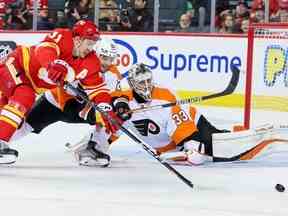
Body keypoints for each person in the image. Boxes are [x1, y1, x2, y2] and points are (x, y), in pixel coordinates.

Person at [72, 63, 229, 166]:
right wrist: (95, 145)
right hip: (168, 146)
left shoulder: (166, 95)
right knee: (201, 155)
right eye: (141, 82)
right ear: (133, 84)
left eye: (149, 81)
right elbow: (112, 122)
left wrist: (191, 145)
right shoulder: (124, 101)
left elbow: (183, 121)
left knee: (213, 146)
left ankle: (224, 136)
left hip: (193, 124)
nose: (146, 86)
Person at [0, 19, 101, 164]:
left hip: (28, 84)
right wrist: (51, 64)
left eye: (94, 44)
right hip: (17, 65)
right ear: (78, 40)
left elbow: (96, 88)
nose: (91, 48)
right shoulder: (63, 36)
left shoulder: (87, 61)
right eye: (89, 43)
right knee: (24, 96)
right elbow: (44, 50)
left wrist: (106, 107)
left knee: (16, 123)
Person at [11, 38, 122, 166]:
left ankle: (92, 148)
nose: (107, 63)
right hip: (55, 102)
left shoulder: (113, 75)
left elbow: (111, 97)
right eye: (104, 57)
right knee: (25, 126)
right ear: (96, 53)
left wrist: (112, 109)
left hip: (81, 107)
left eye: (111, 59)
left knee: (109, 115)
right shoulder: (81, 62)